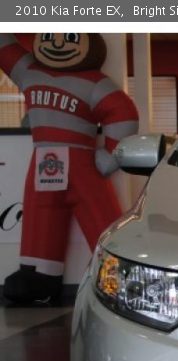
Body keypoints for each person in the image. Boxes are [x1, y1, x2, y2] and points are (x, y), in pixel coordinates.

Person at [0, 33, 138, 303]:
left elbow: (123, 112)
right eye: (51, 36)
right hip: (44, 157)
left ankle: (120, 272)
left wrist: (110, 156)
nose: (59, 44)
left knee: (100, 215)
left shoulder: (95, 84)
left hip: (82, 162)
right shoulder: (30, 71)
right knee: (40, 216)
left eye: (70, 37)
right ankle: (39, 276)